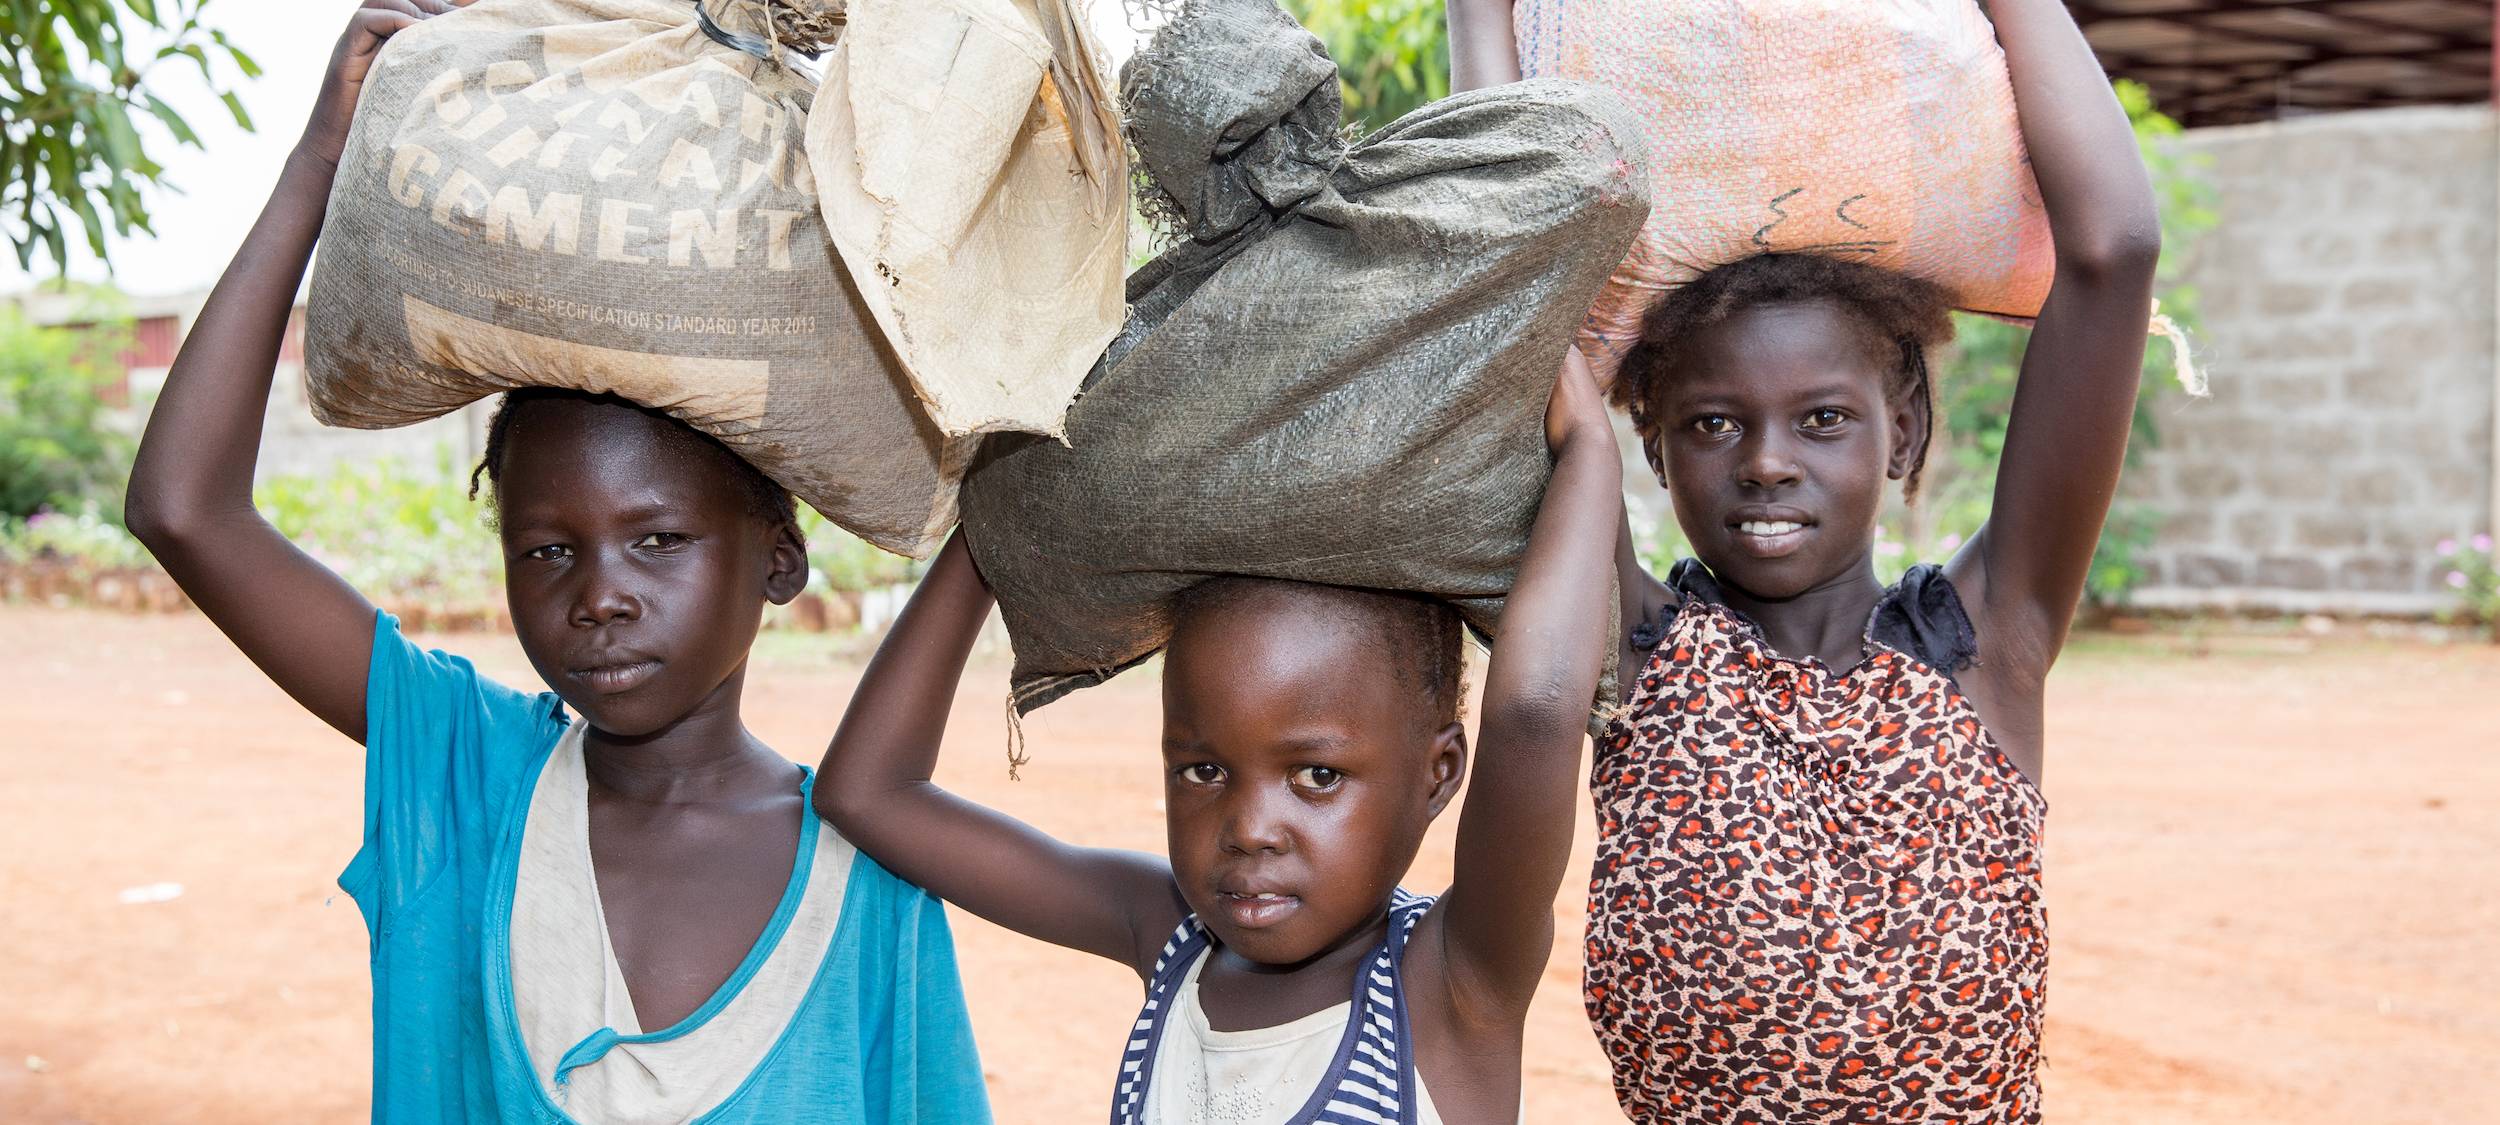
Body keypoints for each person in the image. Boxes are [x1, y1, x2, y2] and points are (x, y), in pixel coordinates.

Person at [121, 4, 989, 1120]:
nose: (600, 597)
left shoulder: (873, 878)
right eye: (545, 551)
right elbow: (183, 511)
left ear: (779, 561)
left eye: (659, 540)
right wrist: (317, 165)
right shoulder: (466, 776)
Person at [1453, 0, 2160, 1120]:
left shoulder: (1987, 644)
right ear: (1649, 441)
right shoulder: (1635, 658)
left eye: (1823, 420)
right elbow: (1503, 310)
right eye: (1713, 425)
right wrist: (1475, 14)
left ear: (1906, 434)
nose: (1767, 464)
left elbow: (2114, 253)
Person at [816, 353, 1623, 1123]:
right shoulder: (1172, 939)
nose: (1248, 828)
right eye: (1203, 768)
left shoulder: (1450, 983)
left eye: (1315, 774)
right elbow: (868, 792)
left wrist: (1590, 453)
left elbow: (1536, 714)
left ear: (1440, 772)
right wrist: (999, 512)